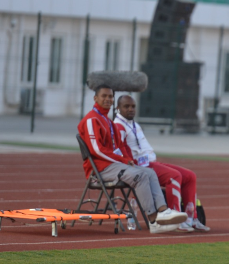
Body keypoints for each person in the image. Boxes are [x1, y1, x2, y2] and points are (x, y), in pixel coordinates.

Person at [77, 86, 187, 233]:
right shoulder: (92, 119)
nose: (108, 99)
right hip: (100, 170)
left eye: (110, 96)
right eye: (104, 96)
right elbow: (96, 150)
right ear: (95, 98)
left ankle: (163, 211)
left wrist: (128, 159)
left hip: (114, 166)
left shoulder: (107, 121)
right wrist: (122, 160)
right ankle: (153, 221)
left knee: (149, 172)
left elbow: (120, 145)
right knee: (140, 176)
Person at [114, 94, 210, 232]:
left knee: (190, 176)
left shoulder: (133, 124)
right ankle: (176, 219)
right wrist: (130, 164)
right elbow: (119, 150)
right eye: (126, 106)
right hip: (140, 167)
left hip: (150, 162)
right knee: (174, 176)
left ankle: (191, 219)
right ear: (118, 108)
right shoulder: (119, 126)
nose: (130, 109)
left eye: (133, 106)